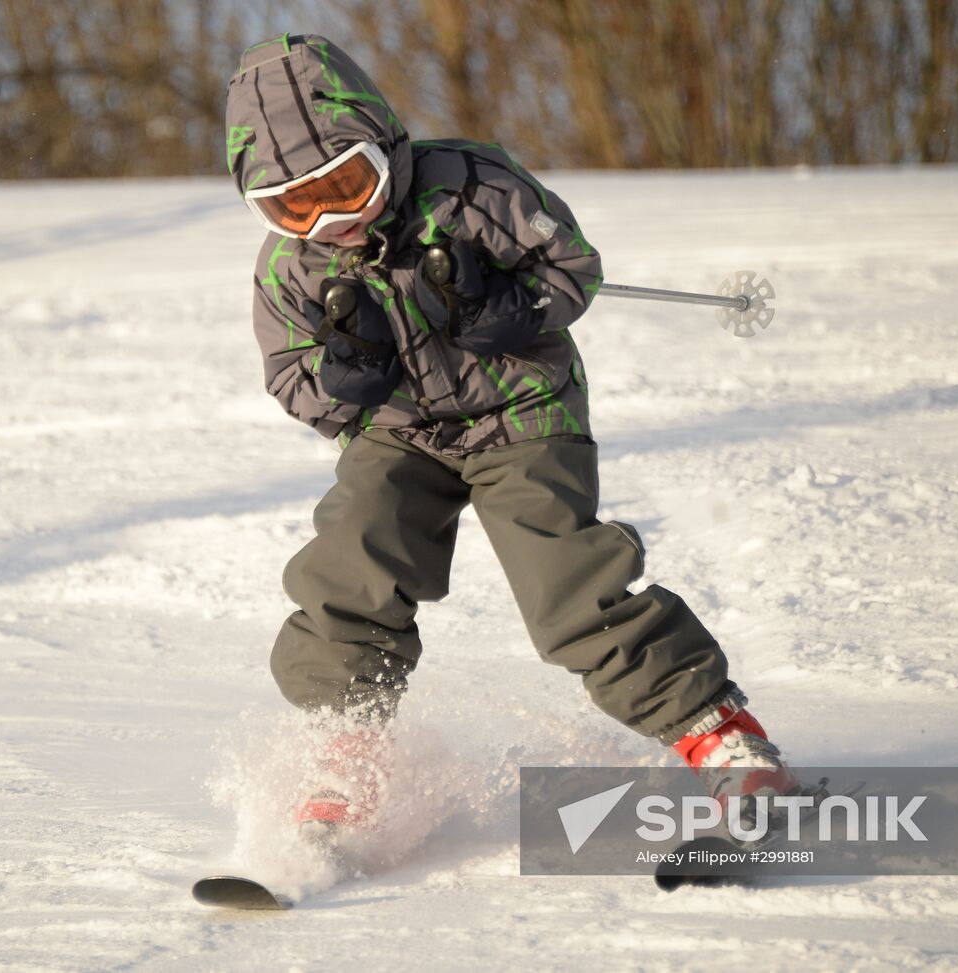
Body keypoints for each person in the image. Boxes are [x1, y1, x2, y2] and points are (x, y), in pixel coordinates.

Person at [224, 34, 798, 835]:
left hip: (523, 412)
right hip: (401, 433)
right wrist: (347, 378)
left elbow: (573, 266)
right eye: (295, 206)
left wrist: (513, 307)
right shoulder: (290, 268)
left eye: (348, 185)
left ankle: (726, 740)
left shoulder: (473, 185)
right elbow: (292, 378)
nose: (330, 218)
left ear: (383, 145)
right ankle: (342, 751)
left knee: (566, 580)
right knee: (352, 555)